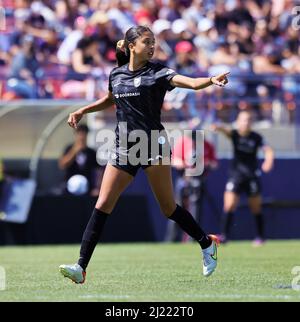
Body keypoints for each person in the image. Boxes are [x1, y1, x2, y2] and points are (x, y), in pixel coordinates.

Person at [59, 25, 229, 284]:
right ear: (131, 46)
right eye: (147, 42)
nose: (152, 46)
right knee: (103, 204)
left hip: (153, 145)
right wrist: (83, 110)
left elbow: (191, 83)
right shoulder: (116, 74)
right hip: (124, 147)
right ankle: (80, 267)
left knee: (168, 208)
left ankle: (207, 244)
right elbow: (110, 99)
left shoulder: (158, 72)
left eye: (153, 42)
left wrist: (210, 80)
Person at [211, 111, 274, 246]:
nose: (246, 122)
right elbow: (226, 131)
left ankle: (260, 237)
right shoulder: (235, 134)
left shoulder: (256, 137)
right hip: (236, 176)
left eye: (249, 120)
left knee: (256, 208)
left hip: (251, 176)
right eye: (244, 120)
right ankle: (224, 236)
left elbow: (268, 150)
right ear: (238, 121)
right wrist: (219, 127)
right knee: (229, 205)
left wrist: (268, 161)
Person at [59, 124, 102, 196]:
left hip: (87, 187)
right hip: (69, 186)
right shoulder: (69, 149)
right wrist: (74, 151)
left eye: (84, 134)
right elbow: (62, 165)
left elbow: (98, 171)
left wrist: (97, 187)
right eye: (79, 134)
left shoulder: (91, 152)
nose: (81, 137)